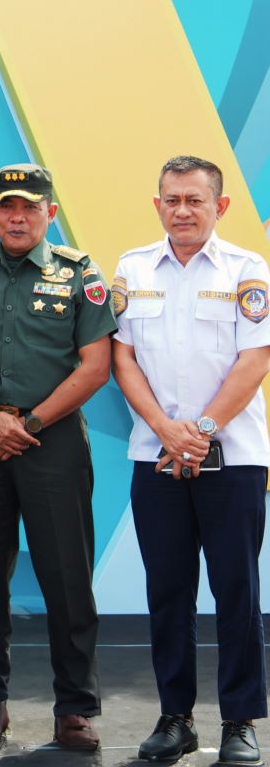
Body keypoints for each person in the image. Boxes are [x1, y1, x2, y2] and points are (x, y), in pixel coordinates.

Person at [0, 164, 112, 752]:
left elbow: (96, 366)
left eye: (30, 207)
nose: (18, 216)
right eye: (8, 206)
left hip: (52, 439)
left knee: (67, 576)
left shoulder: (80, 273)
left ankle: (75, 710)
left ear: (50, 213)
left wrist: (28, 424)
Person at [111, 155, 270, 767]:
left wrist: (199, 431)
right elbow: (121, 358)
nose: (182, 210)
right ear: (157, 205)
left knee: (237, 589)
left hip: (232, 458)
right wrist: (163, 429)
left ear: (219, 207)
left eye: (195, 200)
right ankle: (174, 719)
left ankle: (239, 723)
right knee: (168, 592)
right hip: (155, 457)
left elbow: (254, 360)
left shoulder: (245, 270)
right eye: (172, 199)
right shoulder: (132, 268)